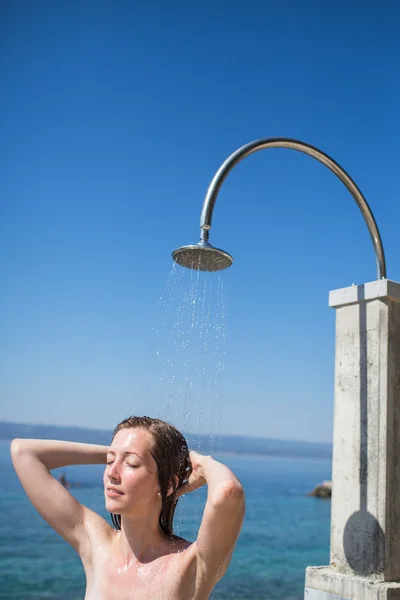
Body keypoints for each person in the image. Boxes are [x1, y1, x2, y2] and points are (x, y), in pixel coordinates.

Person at [11, 415, 245, 599]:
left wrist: (201, 463)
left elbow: (228, 492)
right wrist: (121, 453)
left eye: (131, 464)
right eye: (110, 461)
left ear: (170, 483)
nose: (112, 473)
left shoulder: (190, 566)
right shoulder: (96, 545)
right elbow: (23, 452)